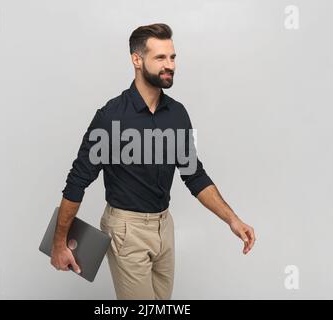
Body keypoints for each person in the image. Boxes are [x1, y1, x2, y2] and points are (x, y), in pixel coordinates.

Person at [50, 23, 255, 300]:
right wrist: (59, 242)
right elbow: (77, 182)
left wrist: (232, 219)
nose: (169, 64)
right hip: (126, 229)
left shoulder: (178, 114)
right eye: (160, 58)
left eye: (172, 57)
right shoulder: (111, 117)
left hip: (164, 227)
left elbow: (194, 175)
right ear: (137, 60)